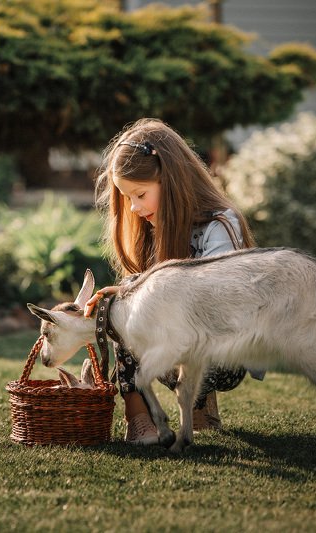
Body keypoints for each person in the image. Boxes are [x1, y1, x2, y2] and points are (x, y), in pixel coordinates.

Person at [84, 118, 258, 445]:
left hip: (224, 352)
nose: (134, 208)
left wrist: (141, 293)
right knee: (122, 310)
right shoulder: (151, 227)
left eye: (140, 194)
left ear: (171, 181)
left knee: (134, 303)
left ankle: (199, 402)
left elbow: (219, 298)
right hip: (176, 340)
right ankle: (138, 418)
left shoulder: (219, 224)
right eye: (127, 198)